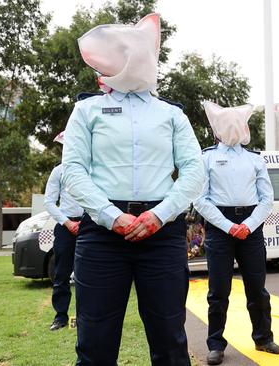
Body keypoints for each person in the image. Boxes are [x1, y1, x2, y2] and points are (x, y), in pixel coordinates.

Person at [61, 13, 204, 365]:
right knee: (95, 339)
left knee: (170, 337)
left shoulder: (171, 115)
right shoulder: (86, 110)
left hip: (163, 232)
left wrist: (159, 215)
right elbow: (73, 171)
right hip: (102, 235)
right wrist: (112, 217)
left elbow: (194, 171)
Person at [194, 101, 279, 365]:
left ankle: (263, 338)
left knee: (257, 288)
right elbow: (200, 200)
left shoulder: (255, 159)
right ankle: (216, 344)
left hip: (251, 227)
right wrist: (229, 226)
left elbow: (267, 198)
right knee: (218, 289)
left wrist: (249, 224)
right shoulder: (206, 157)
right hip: (221, 228)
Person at [44, 131, 84, 331]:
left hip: (89, 225)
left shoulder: (91, 170)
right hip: (65, 227)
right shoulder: (58, 172)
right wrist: (67, 223)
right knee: (61, 273)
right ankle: (60, 316)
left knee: (90, 274)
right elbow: (49, 202)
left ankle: (86, 317)